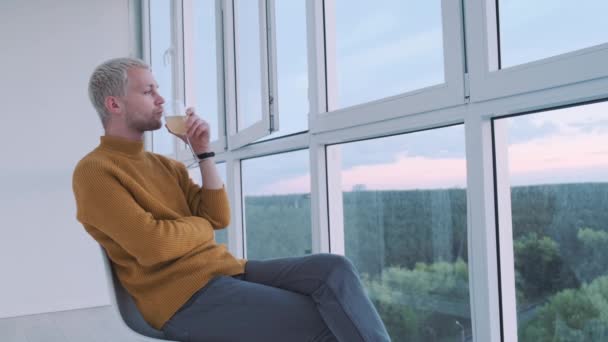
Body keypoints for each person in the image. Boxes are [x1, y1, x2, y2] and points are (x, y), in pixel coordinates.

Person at [72, 57, 390, 342]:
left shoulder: (166, 166)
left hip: (224, 272)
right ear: (114, 105)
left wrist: (203, 152)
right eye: (148, 92)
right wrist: (201, 227)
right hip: (182, 300)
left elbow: (219, 217)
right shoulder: (95, 171)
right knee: (321, 319)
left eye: (158, 89)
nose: (161, 99)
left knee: (333, 270)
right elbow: (155, 246)